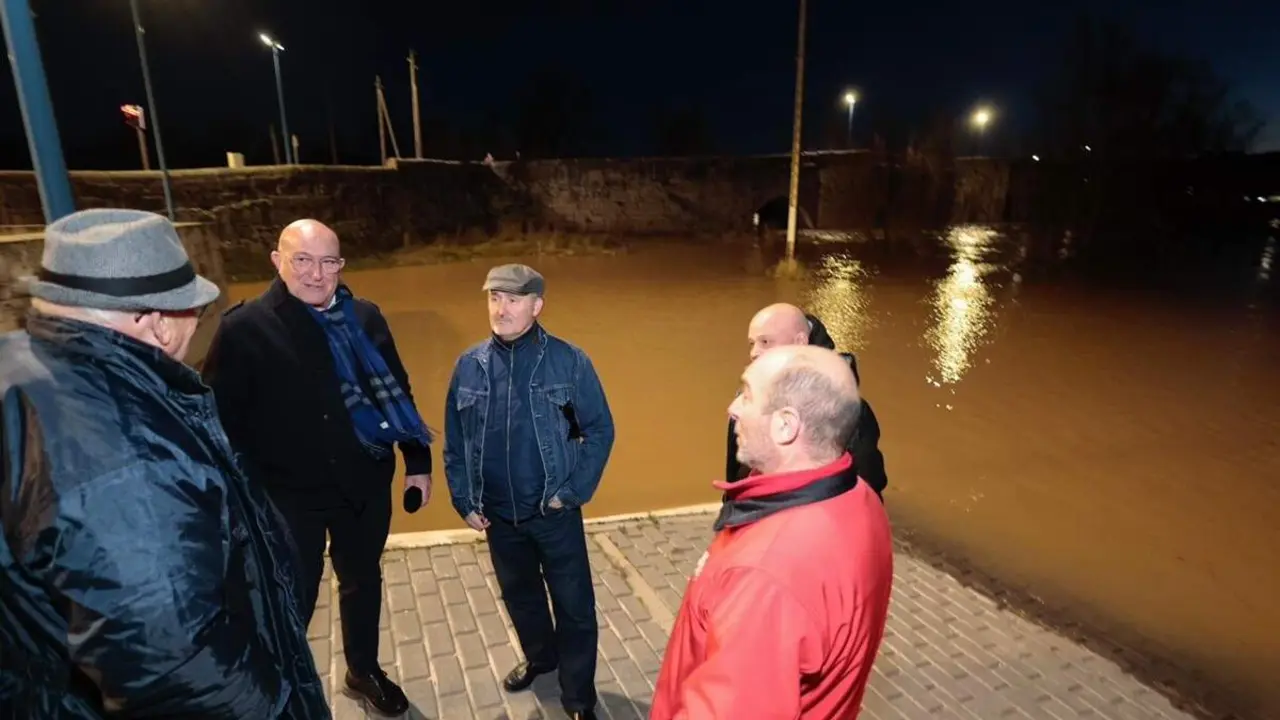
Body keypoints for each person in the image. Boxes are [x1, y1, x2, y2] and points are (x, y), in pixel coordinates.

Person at [0, 209, 328, 717]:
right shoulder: (132, 453)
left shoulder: (16, 368)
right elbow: (177, 667)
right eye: (191, 309)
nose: (197, 322)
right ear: (153, 321)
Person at [202, 219, 432, 716]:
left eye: (328, 261)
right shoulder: (244, 328)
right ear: (276, 261)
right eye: (302, 259)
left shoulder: (366, 317)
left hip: (364, 482)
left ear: (341, 266)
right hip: (287, 498)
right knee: (290, 596)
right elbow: (219, 422)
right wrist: (237, 497)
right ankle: (280, 686)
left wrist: (418, 459)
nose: (315, 273)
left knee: (362, 578)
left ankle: (363, 669)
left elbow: (396, 390)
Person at [651, 344, 894, 719]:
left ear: (785, 425)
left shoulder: (766, 576)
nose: (732, 410)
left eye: (746, 394)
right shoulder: (859, 497)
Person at [443, 264, 614, 720]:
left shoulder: (569, 361)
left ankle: (578, 697)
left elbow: (598, 431)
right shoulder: (469, 366)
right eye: (495, 298)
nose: (502, 308)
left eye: (514, 299)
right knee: (521, 598)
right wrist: (464, 499)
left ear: (537, 306)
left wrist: (572, 491)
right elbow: (456, 441)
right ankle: (541, 658)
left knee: (575, 607)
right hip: (498, 516)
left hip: (553, 511)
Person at [726, 302, 888, 496]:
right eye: (752, 343)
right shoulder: (749, 397)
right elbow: (735, 472)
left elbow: (868, 484)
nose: (754, 353)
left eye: (765, 342)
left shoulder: (845, 408)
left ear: (800, 342)